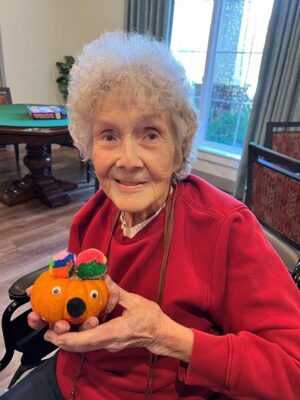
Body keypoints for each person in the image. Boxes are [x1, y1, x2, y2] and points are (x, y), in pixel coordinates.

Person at [2, 31, 300, 400]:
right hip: (67, 381)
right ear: (88, 146)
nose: (127, 160)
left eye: (151, 134)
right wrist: (63, 312)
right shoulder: (90, 217)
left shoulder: (227, 229)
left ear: (179, 151)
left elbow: (293, 370)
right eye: (108, 136)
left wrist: (169, 337)